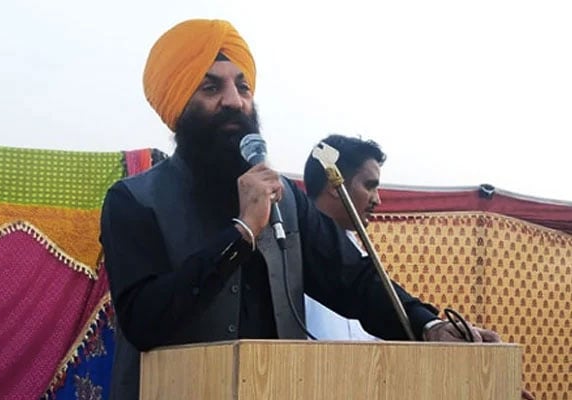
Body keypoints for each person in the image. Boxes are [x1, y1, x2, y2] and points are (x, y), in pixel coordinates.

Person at [99, 18, 508, 400]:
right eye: (211, 89)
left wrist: (429, 325)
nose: (235, 102)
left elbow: (354, 280)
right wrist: (242, 231)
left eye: (242, 87)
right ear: (177, 109)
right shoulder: (133, 201)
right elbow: (144, 320)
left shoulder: (286, 198)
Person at [302, 134, 386, 341]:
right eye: (369, 186)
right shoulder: (290, 248)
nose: (378, 199)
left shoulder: (358, 255)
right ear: (334, 185)